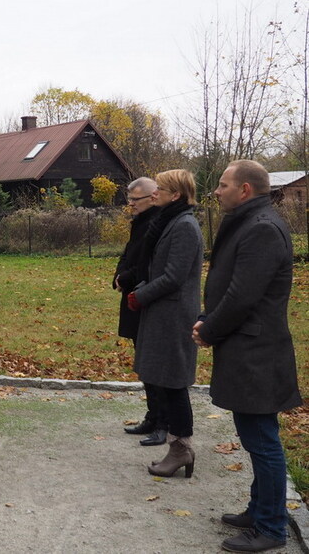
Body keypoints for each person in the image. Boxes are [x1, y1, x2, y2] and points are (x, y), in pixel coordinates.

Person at [193, 160, 303, 553]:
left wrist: (209, 330)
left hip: (256, 351)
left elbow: (243, 295)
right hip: (247, 347)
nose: (216, 191)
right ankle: (260, 509)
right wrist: (208, 318)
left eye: (223, 185)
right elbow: (229, 285)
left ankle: (271, 527)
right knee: (257, 436)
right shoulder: (252, 222)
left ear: (244, 190)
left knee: (262, 440)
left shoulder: (261, 229)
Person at [126, 169, 203, 478]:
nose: (154, 193)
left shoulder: (184, 225)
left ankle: (181, 448)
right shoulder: (171, 221)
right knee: (166, 381)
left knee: (173, 384)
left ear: (176, 195)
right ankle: (178, 448)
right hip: (163, 313)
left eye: (161, 189)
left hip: (173, 315)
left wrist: (140, 295)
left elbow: (174, 276)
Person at [113, 177, 166, 446]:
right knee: (144, 363)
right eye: (130, 199)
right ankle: (152, 416)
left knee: (155, 365)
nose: (131, 205)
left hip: (146, 298)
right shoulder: (141, 223)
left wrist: (128, 277)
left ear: (153, 197)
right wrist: (119, 275)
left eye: (136, 200)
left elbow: (150, 263)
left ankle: (162, 422)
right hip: (134, 296)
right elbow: (129, 254)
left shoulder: (158, 224)